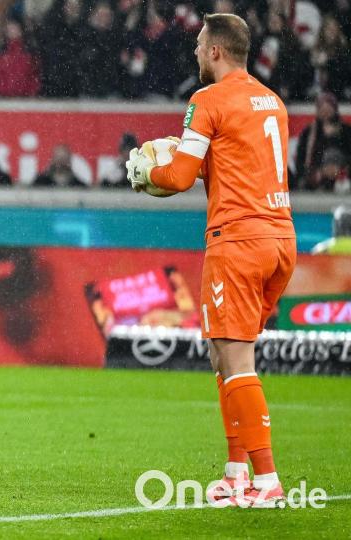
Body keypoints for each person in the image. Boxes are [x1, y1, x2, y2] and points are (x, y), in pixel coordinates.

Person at [127, 13, 295, 508]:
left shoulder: (207, 99)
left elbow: (178, 177)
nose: (197, 52)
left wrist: (145, 170)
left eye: (201, 45)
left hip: (237, 242)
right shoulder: (273, 101)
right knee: (223, 355)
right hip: (279, 239)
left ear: (218, 51)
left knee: (236, 360)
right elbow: (238, 166)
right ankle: (235, 473)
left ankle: (266, 481)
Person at [294, 92, 351, 191]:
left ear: (335, 109)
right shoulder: (309, 133)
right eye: (322, 110)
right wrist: (321, 172)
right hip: (316, 180)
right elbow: (301, 160)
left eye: (328, 109)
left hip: (344, 179)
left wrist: (341, 170)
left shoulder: (346, 131)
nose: (326, 113)